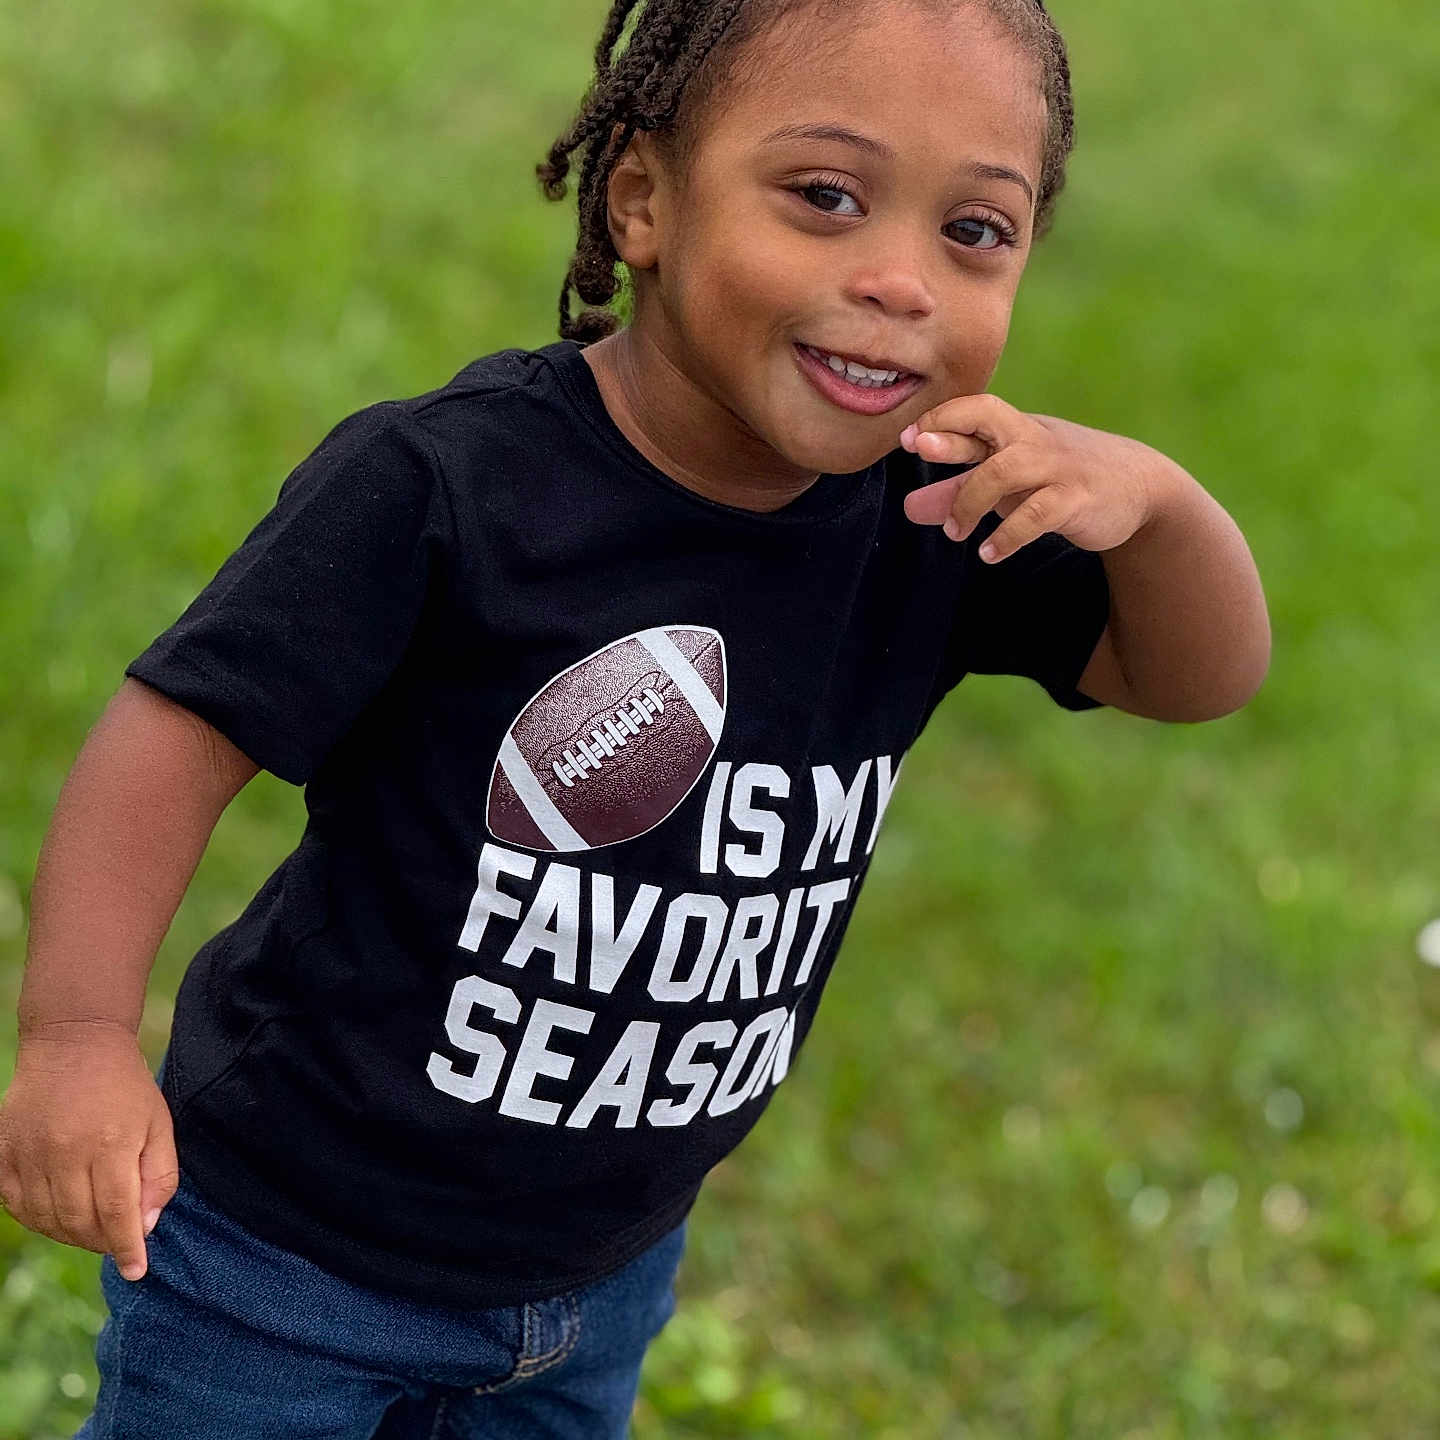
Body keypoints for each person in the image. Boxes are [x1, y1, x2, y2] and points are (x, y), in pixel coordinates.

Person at [0, 0, 1270, 1435]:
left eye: (975, 232)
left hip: (599, 1277)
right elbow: (180, 730)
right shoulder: (448, 488)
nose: (901, 281)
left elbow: (1192, 678)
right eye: (827, 198)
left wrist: (1161, 504)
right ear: (646, 198)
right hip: (286, 1254)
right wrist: (80, 1036)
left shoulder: (929, 514)